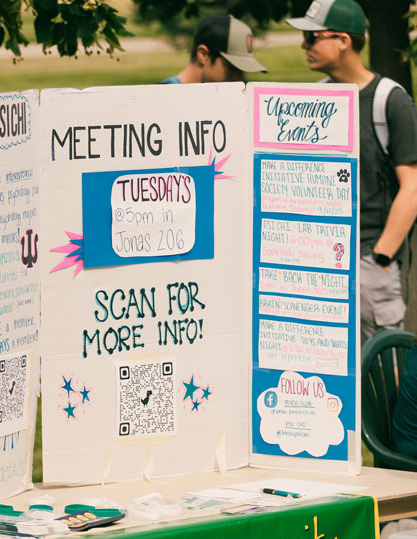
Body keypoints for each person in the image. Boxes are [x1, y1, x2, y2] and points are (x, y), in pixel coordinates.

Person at [288, 0, 417, 343]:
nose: (304, 45)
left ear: (343, 40)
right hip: (318, 268)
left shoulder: (390, 100)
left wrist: (380, 258)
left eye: (312, 37)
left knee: (382, 380)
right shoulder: (313, 101)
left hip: (368, 265)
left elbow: (413, 188)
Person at [163, 15, 267, 84]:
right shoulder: (164, 98)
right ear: (203, 54)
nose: (239, 80)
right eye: (232, 68)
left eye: (242, 71)